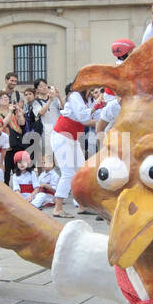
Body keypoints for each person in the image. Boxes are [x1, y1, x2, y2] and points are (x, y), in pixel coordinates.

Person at [52, 82, 101, 218]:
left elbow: (95, 118)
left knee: (81, 171)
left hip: (72, 138)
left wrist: (101, 108)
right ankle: (58, 207)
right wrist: (96, 106)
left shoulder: (89, 98)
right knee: (68, 173)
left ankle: (82, 205)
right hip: (62, 135)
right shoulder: (74, 96)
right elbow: (83, 117)